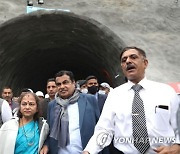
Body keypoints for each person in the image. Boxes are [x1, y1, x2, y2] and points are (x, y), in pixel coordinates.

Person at [83, 46, 180, 154]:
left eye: (133, 57)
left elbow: (178, 125)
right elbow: (105, 129)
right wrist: (89, 151)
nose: (128, 61)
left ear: (145, 63)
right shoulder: (115, 95)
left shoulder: (166, 91)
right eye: (124, 60)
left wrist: (177, 146)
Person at [40, 70, 108, 154]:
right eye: (59, 84)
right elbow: (49, 131)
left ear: (73, 83)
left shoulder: (89, 100)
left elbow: (101, 129)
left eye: (65, 82)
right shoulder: (52, 105)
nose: (62, 86)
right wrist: (46, 145)